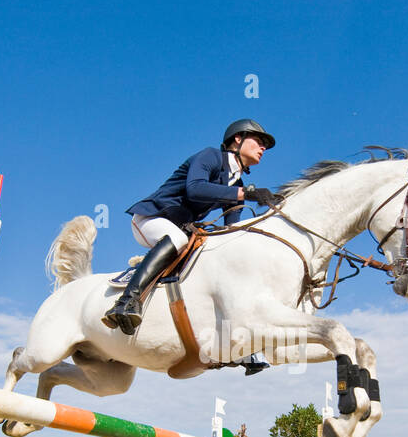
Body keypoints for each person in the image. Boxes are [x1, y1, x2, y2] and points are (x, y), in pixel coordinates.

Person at [103, 120, 284, 363]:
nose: (263, 147)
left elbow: (231, 228)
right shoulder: (210, 156)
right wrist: (247, 194)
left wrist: (270, 220)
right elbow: (195, 189)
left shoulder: (236, 183)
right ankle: (126, 302)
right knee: (177, 238)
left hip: (179, 229)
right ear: (237, 139)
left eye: (265, 145)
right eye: (259, 141)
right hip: (150, 217)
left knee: (213, 253)